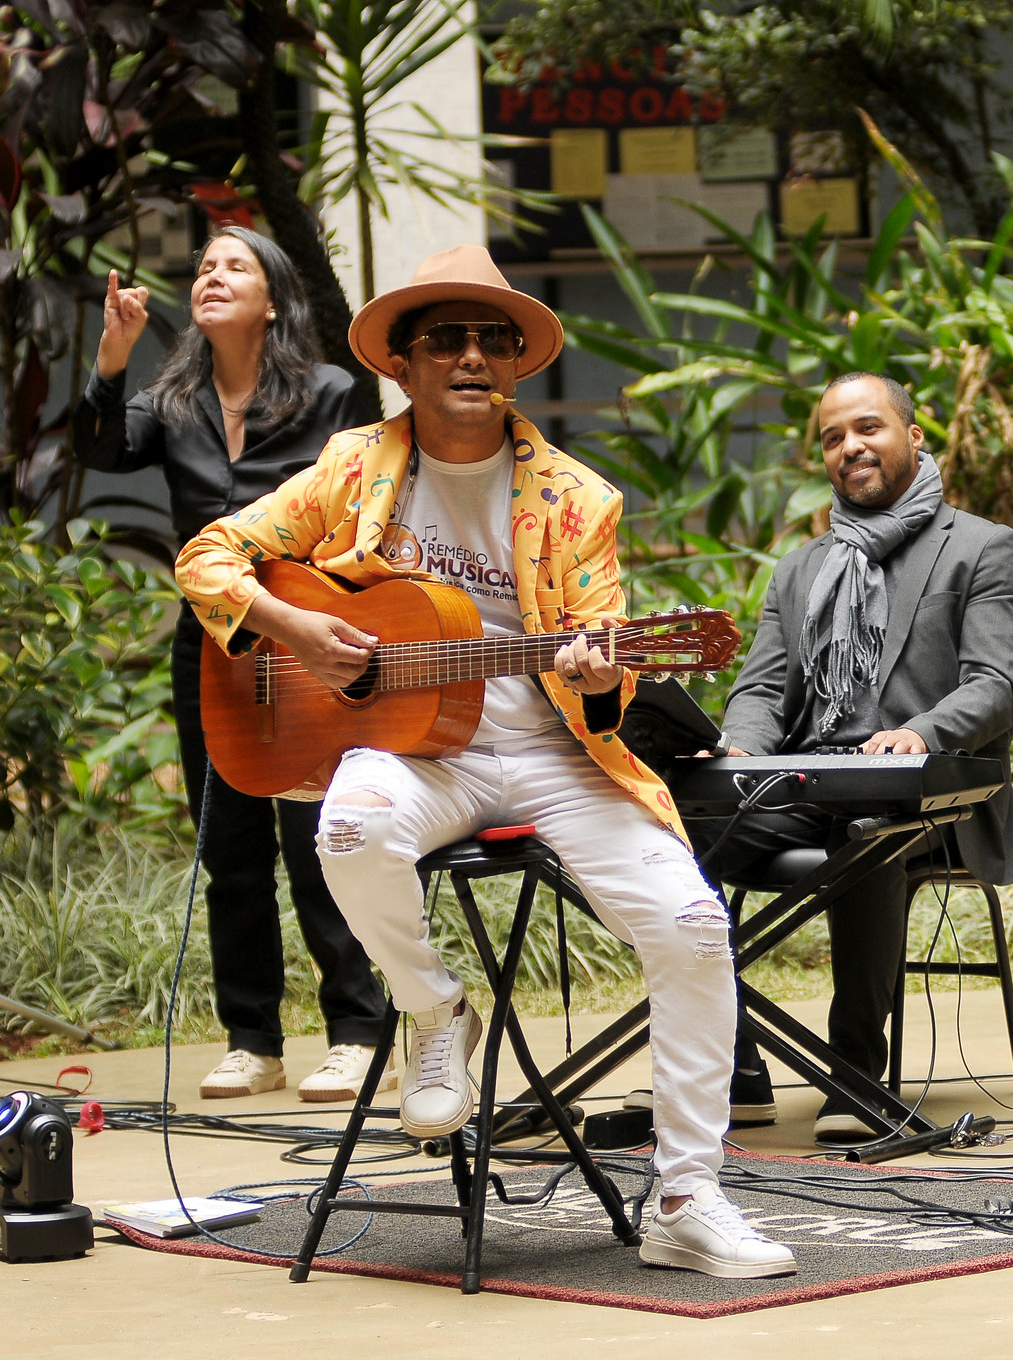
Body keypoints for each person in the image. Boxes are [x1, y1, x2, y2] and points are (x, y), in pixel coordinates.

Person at [173, 245, 794, 1280]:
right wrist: (299, 629)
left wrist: (603, 675)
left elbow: (607, 681)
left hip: (553, 754)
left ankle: (687, 1195)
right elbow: (207, 556)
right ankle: (429, 1007)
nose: (471, 355)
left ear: (516, 363)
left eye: (493, 339)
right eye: (445, 339)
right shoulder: (351, 469)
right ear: (404, 367)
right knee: (346, 823)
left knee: (691, 926)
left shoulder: (577, 500)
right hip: (415, 755)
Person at [72, 227, 390, 1104]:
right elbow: (99, 449)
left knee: (318, 837)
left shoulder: (330, 393)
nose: (212, 276)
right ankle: (252, 1038)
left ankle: (358, 1030)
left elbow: (362, 507)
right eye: (204, 267)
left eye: (233, 266)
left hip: (308, 641)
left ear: (273, 298)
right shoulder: (172, 401)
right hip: (210, 645)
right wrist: (112, 358)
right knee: (232, 845)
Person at [697, 371, 1013, 1143]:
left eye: (868, 427)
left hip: (929, 795)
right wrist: (742, 747)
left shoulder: (981, 548)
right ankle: (737, 1064)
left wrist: (920, 733)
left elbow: (996, 685)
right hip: (802, 783)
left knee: (869, 825)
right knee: (669, 836)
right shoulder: (802, 568)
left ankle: (853, 1071)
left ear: (913, 436)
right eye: (832, 437)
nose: (850, 446)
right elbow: (761, 687)